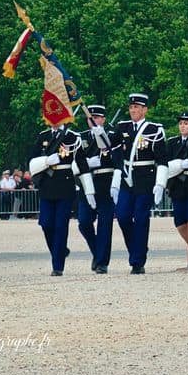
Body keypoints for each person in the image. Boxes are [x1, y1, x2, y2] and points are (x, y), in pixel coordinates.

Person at [115, 93, 168, 274]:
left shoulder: (154, 130)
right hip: (127, 177)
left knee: (141, 218)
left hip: (145, 178)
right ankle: (137, 249)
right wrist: (99, 133)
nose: (133, 110)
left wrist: (160, 184)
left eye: (136, 107)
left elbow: (162, 159)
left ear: (145, 109)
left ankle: (137, 261)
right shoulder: (122, 127)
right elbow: (109, 147)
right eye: (131, 107)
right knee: (122, 216)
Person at [27, 119, 82, 276]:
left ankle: (58, 266)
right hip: (47, 186)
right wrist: (45, 161)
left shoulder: (72, 137)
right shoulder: (43, 136)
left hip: (64, 185)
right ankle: (61, 250)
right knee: (46, 224)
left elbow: (79, 162)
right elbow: (31, 160)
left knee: (60, 226)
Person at [74, 104, 121, 274]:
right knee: (84, 222)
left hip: (105, 182)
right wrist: (88, 164)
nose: (93, 121)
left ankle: (102, 262)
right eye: (90, 118)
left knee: (105, 224)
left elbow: (116, 157)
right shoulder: (81, 138)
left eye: (97, 118)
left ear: (103, 119)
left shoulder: (112, 135)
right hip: (87, 183)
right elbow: (77, 160)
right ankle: (96, 251)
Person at [162, 112, 188, 268]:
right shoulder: (172, 143)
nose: (183, 126)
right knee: (179, 222)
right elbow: (166, 161)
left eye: (186, 123)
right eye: (181, 123)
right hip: (177, 184)